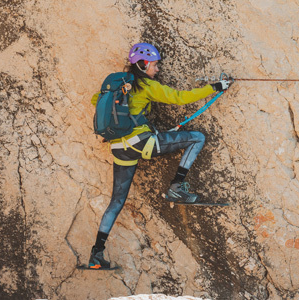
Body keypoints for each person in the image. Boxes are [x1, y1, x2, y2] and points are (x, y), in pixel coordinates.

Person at [87, 43, 232, 269]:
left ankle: (96, 255)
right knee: (197, 138)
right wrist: (215, 86)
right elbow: (181, 98)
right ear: (143, 64)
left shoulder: (117, 84)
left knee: (116, 201)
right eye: (155, 65)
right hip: (141, 144)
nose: (157, 69)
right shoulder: (146, 85)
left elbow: (96, 101)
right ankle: (176, 187)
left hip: (119, 148)